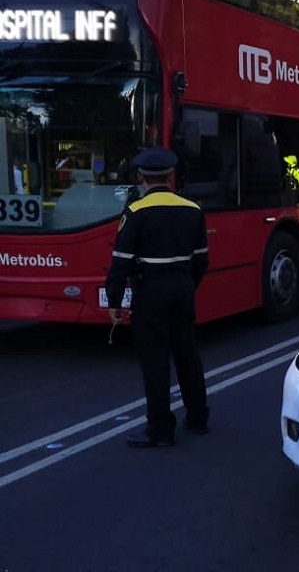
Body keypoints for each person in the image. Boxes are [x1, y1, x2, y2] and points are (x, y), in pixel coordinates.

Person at [105, 147, 210, 448]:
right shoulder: (192, 209)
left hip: (150, 290)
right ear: (170, 175)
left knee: (155, 361)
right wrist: (188, 285)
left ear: (141, 177)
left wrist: (114, 302)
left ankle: (161, 429)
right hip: (182, 287)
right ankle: (198, 417)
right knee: (188, 354)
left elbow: (121, 261)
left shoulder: (135, 212)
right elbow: (202, 258)